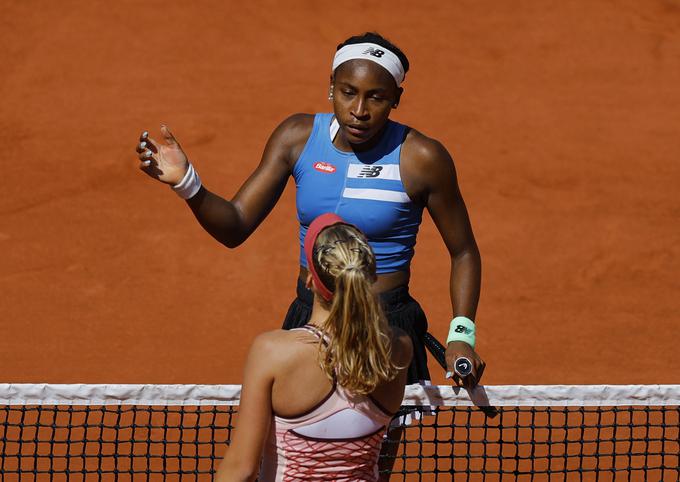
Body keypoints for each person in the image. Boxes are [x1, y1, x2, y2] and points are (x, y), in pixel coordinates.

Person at [135, 32, 484, 388]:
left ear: (396, 98)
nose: (359, 111)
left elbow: (464, 251)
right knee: (297, 437)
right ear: (331, 87)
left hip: (386, 325)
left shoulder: (423, 158)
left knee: (374, 444)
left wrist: (462, 333)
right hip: (313, 316)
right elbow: (235, 226)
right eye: (348, 92)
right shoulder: (297, 137)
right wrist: (186, 183)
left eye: (376, 97)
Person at [215, 214, 413, 481]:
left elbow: (241, 470)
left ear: (309, 280)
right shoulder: (399, 347)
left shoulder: (273, 353)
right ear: (371, 278)